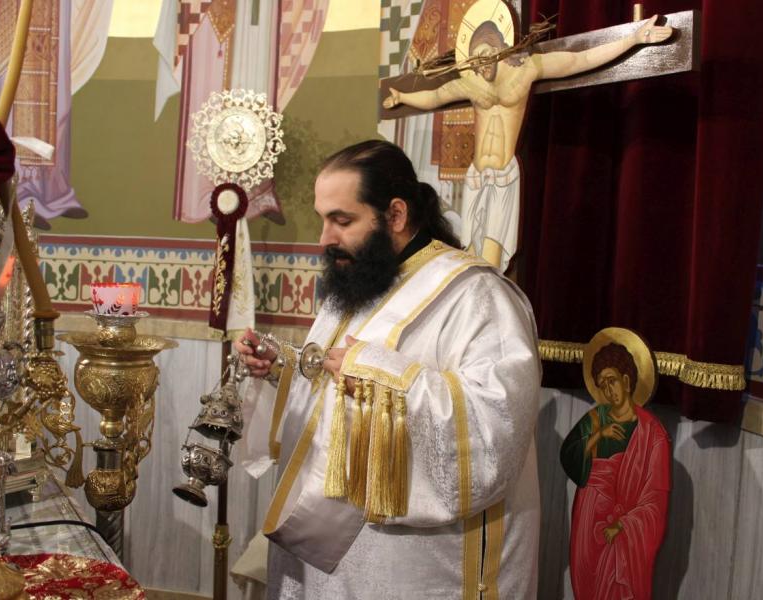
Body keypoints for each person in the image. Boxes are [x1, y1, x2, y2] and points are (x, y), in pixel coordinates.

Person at [235, 139, 542, 599]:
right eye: (323, 219)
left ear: (396, 215)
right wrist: (282, 370)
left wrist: (378, 374)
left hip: (419, 566)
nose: (324, 238)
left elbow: (495, 429)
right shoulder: (361, 283)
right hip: (329, 556)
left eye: (342, 220)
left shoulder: (479, 298)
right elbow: (334, 387)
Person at [383, 14, 673, 271]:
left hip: (503, 175)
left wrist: (634, 39)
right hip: (475, 177)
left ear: (500, 48)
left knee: (493, 260)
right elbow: (435, 96)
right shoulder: (470, 81)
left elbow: (581, 60)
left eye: (485, 57)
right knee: (470, 254)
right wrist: (402, 97)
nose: (481, 66)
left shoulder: (526, 69)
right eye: (475, 59)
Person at [560, 340, 671, 600]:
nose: (609, 390)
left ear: (627, 380)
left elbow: (655, 498)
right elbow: (568, 454)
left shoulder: (651, 433)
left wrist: (623, 525)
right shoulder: (595, 419)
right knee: (586, 584)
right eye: (603, 384)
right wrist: (598, 436)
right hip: (588, 518)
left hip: (622, 526)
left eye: (612, 381)